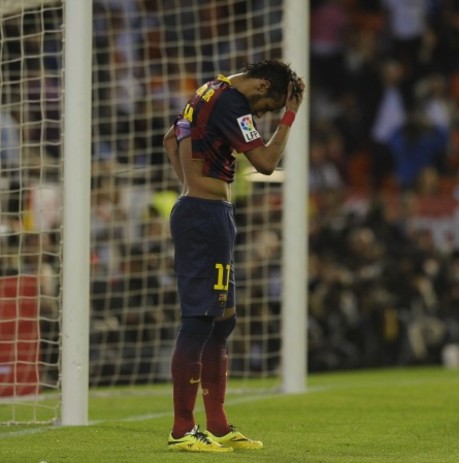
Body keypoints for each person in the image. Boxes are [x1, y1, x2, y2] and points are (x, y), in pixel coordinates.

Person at [162, 59, 305, 453]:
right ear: (262, 85)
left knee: (223, 321)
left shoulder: (208, 90)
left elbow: (170, 140)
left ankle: (219, 425)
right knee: (199, 321)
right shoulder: (231, 102)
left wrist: (190, 188)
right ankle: (181, 430)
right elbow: (265, 162)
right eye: (267, 106)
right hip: (204, 218)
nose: (262, 114)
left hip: (206, 214)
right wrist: (290, 118)